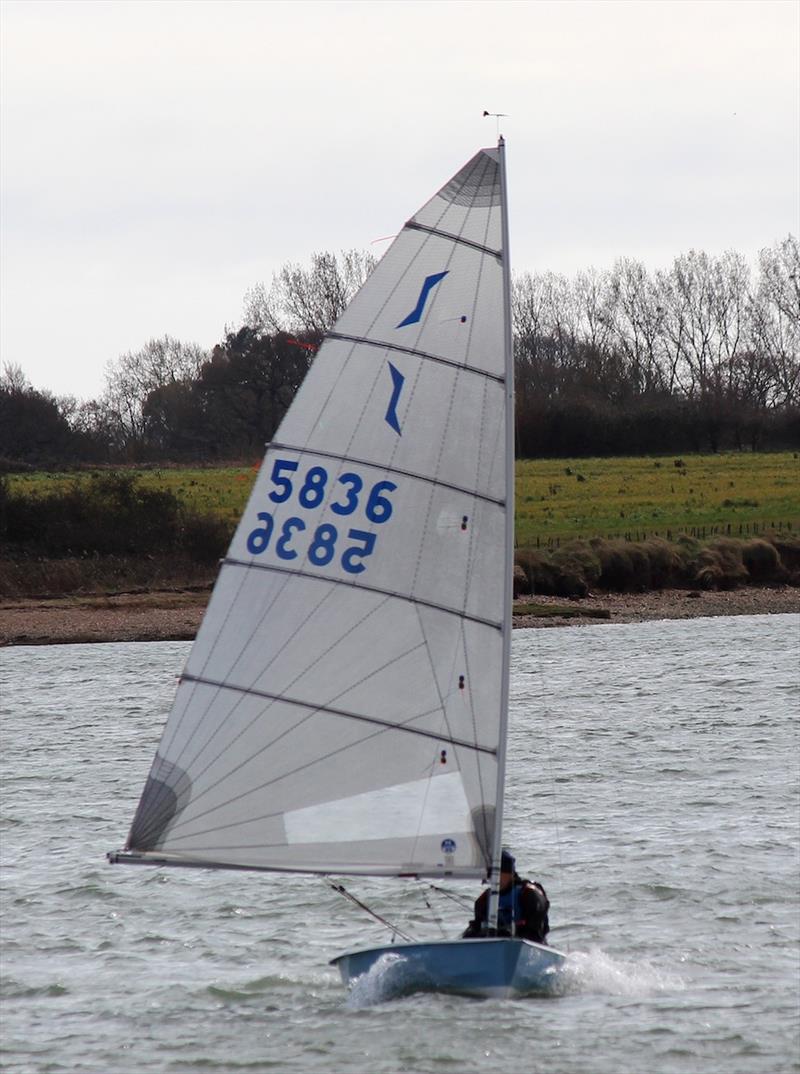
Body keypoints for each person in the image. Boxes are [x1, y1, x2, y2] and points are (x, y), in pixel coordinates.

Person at [462, 850, 550, 943]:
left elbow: (536, 928)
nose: (492, 878)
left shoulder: (528, 893)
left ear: (510, 873)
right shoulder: (483, 900)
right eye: (490, 874)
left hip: (528, 946)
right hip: (493, 948)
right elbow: (477, 925)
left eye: (497, 874)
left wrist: (512, 933)